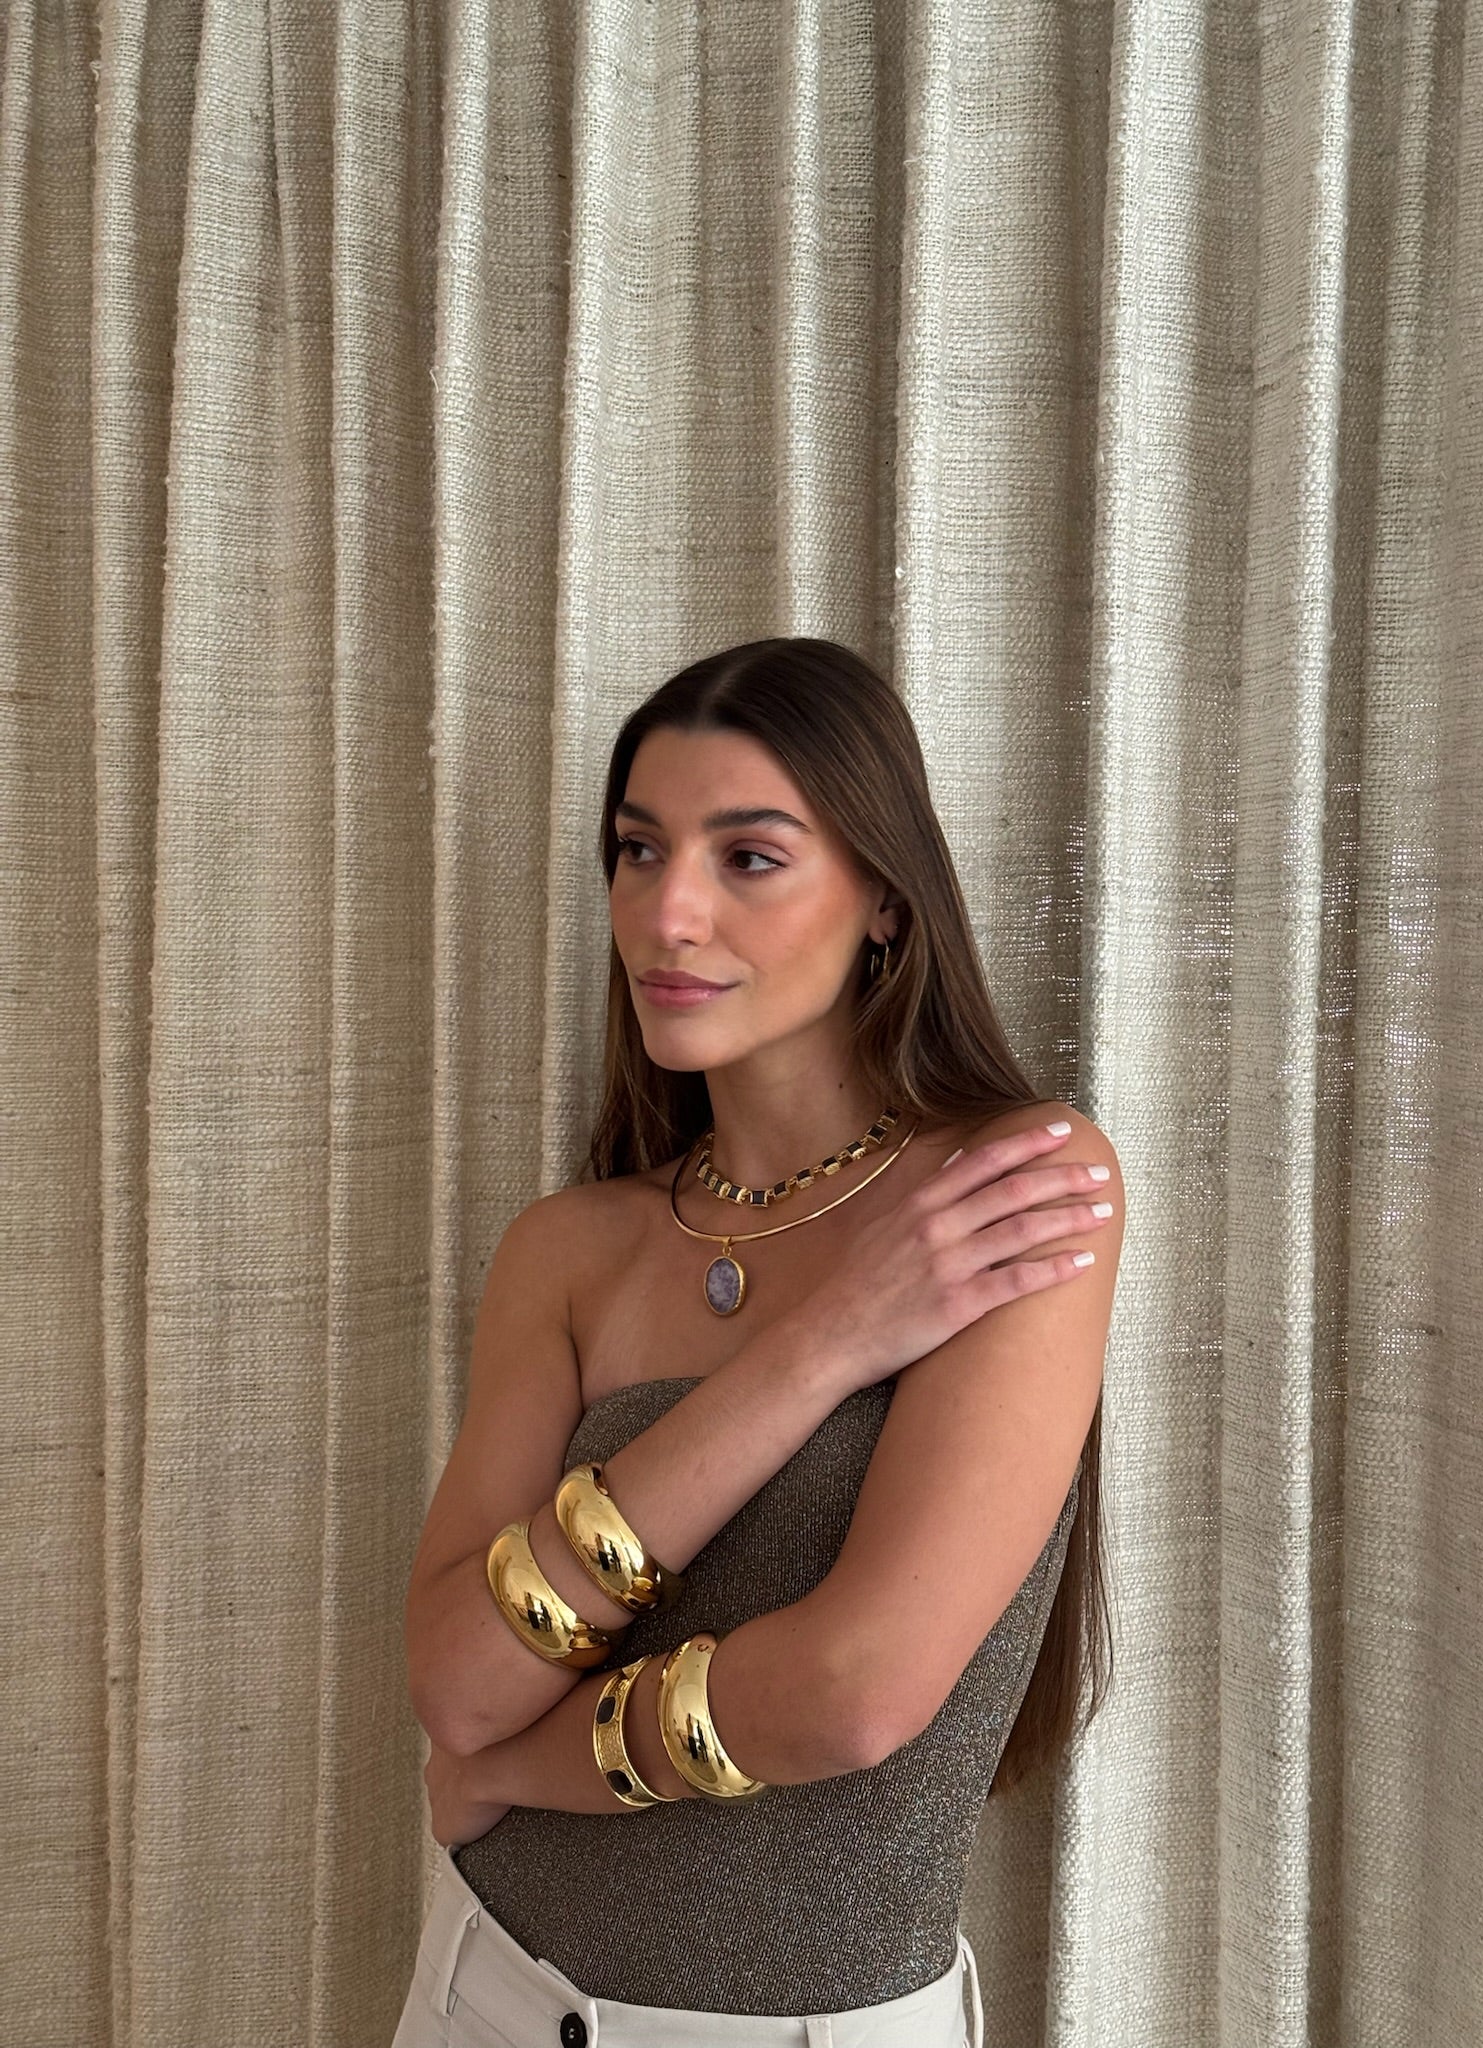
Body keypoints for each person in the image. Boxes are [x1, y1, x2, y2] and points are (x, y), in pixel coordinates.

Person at [391, 638, 1124, 2047]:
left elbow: (857, 1695)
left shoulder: (1015, 1191)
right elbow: (456, 1683)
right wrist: (828, 1342)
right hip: (482, 1994)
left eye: (749, 858)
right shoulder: (569, 1249)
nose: (668, 913)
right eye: (639, 850)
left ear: (886, 902)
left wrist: (519, 1769)